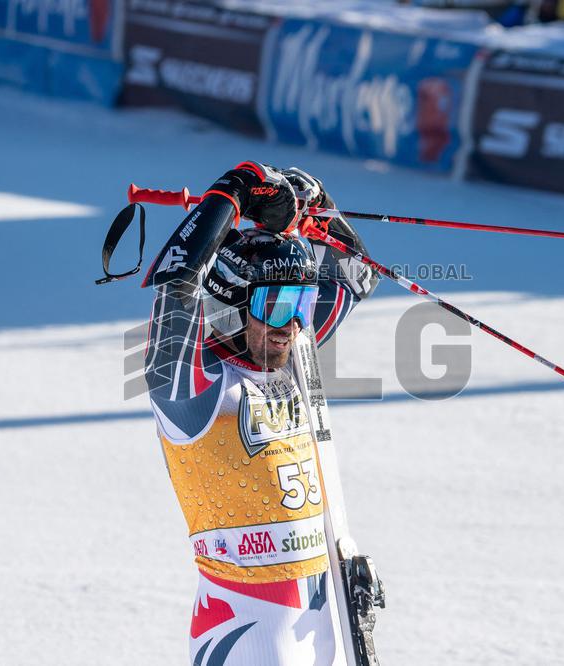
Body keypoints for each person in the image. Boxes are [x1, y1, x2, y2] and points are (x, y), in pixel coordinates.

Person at [141, 162, 377, 665]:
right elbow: (177, 282)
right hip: (244, 628)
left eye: (304, 301)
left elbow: (355, 273)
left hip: (326, 620)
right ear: (231, 300)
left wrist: (317, 205)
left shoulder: (294, 356)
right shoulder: (190, 388)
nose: (294, 323)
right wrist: (235, 189)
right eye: (276, 304)